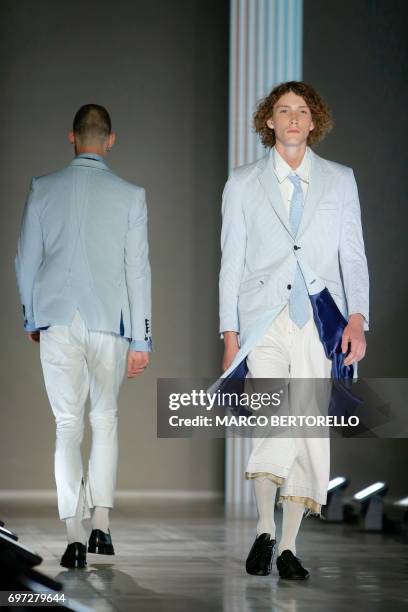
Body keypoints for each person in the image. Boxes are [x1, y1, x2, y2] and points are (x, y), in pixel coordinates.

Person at [219, 81, 369, 579]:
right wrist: (229, 335)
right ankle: (265, 527)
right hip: (263, 315)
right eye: (283, 111)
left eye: (301, 111)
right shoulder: (243, 182)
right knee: (273, 419)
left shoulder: (340, 179)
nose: (292, 119)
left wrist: (358, 319)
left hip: (321, 319)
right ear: (269, 121)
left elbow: (353, 255)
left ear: (313, 121)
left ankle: (286, 546)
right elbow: (231, 261)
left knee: (309, 428)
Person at [15, 104, 152, 568]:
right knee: (106, 420)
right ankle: (103, 528)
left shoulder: (43, 188)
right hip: (109, 323)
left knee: (67, 427)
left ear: (71, 137)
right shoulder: (130, 195)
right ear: (110, 140)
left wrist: (32, 317)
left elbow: (24, 261)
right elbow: (139, 272)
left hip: (57, 319)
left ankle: (73, 535)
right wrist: (142, 338)